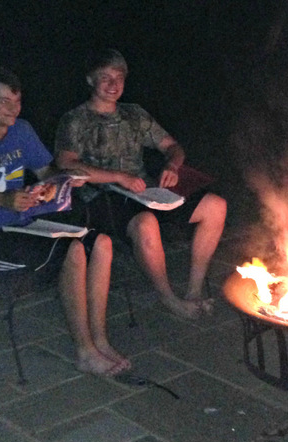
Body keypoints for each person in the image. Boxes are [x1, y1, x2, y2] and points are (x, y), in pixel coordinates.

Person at [0, 65, 130, 377]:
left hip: (23, 221)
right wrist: (1, 199)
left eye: (18, 101)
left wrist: (62, 179)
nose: (13, 109)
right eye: (4, 102)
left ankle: (101, 339)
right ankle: (85, 351)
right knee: (73, 251)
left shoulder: (22, 131)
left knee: (101, 243)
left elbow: (46, 173)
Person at [54, 48, 227, 319]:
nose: (113, 85)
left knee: (215, 206)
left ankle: (194, 289)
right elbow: (66, 164)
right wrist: (118, 177)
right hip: (102, 197)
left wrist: (172, 165)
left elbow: (172, 146)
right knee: (146, 224)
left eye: (119, 78)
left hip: (143, 191)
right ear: (90, 80)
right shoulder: (76, 120)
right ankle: (168, 297)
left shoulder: (134, 114)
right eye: (105, 78)